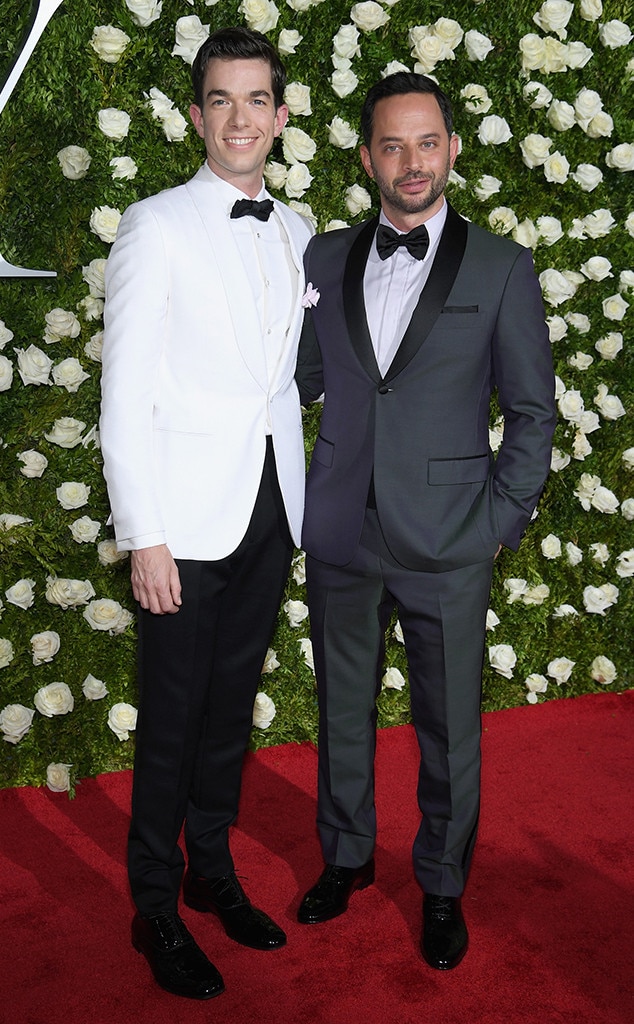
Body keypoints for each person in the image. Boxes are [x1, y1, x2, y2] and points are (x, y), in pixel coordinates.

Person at [295, 72, 556, 971]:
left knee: (449, 723)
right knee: (342, 711)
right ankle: (346, 859)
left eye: (427, 142)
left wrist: (497, 522)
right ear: (367, 156)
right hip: (341, 529)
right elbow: (289, 384)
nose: (412, 162)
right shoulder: (322, 260)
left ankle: (442, 884)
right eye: (392, 145)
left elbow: (532, 413)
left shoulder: (501, 266)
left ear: (452, 148)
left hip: (451, 538)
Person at [100, 26, 313, 1001]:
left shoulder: (299, 227)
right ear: (196, 116)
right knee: (174, 721)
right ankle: (152, 908)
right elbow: (124, 393)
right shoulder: (154, 224)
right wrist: (142, 530)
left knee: (228, 715)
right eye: (219, 100)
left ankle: (211, 872)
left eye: (255, 99)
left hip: (272, 506)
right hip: (182, 523)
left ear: (279, 113)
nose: (239, 118)